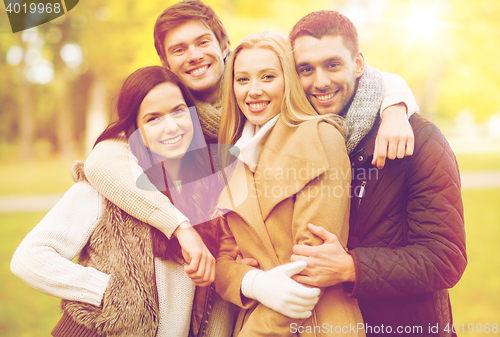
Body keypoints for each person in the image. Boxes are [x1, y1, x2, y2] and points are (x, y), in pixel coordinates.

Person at [82, 0, 419, 251]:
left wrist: (394, 106)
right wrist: (178, 226)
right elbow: (101, 161)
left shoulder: (255, 90)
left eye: (202, 42)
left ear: (223, 44)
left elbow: (347, 72)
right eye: (179, 50)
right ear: (165, 62)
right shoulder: (171, 116)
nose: (194, 55)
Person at [11, 66, 233, 337]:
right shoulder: (107, 187)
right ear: (134, 130)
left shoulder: (209, 189)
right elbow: (29, 257)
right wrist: (110, 293)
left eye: (178, 111)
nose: (171, 126)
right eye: (153, 119)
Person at [285, 11, 466, 336]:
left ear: (357, 64)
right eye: (306, 69)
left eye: (332, 64)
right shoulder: (295, 140)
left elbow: (445, 258)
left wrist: (351, 267)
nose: (320, 81)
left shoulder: (418, 138)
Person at [214, 30, 364, 337]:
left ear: (289, 82)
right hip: (258, 317)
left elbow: (311, 268)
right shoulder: (234, 157)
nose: (253, 91)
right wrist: (251, 282)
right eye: (242, 80)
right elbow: (222, 259)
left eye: (267, 77)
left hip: (316, 323)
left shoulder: (318, 137)